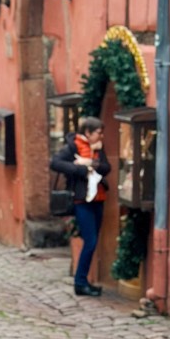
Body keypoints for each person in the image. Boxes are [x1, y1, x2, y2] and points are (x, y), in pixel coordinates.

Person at [50, 116, 111, 297]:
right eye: (98, 133)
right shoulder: (73, 146)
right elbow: (56, 162)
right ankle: (80, 282)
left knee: (93, 241)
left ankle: (83, 281)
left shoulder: (98, 148)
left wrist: (91, 163)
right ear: (88, 133)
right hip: (81, 200)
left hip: (98, 198)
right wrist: (81, 169)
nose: (101, 137)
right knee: (90, 241)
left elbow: (106, 167)